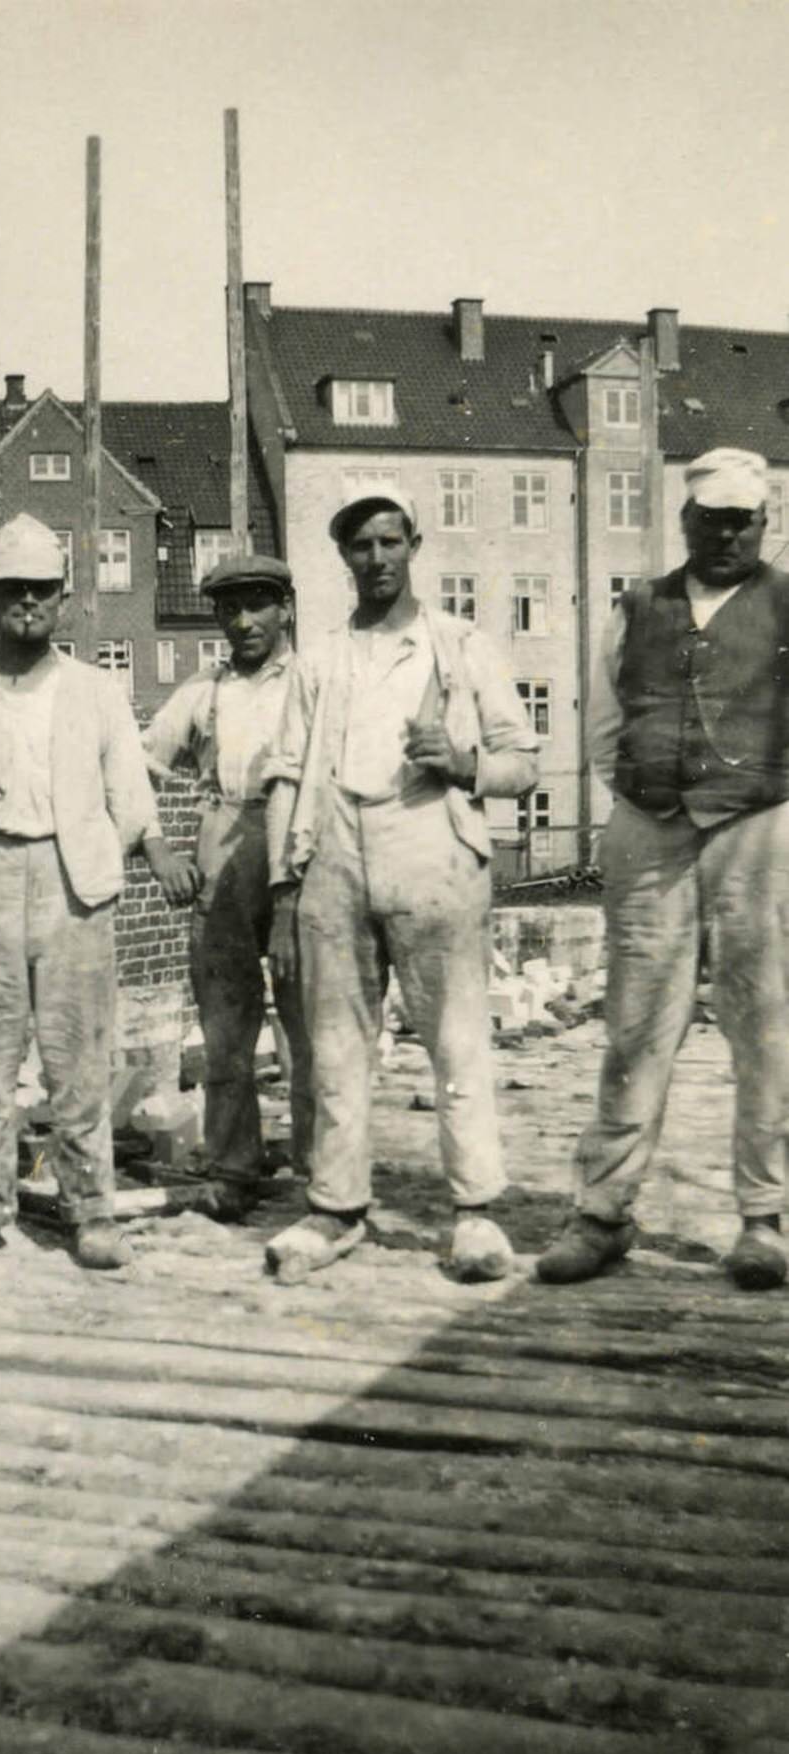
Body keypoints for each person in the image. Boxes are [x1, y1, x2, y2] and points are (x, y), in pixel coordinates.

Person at [263, 486, 540, 1282]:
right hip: (336, 850)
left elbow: (522, 759)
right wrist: (287, 885)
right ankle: (336, 1205)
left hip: (432, 846)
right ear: (342, 556)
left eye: (390, 542)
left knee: (455, 1037)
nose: (377, 559)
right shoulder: (318, 657)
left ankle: (476, 1211)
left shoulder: (460, 645)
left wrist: (464, 764)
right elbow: (287, 773)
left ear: (414, 543)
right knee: (335, 1045)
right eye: (360, 546)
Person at [0, 512, 198, 1270]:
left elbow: (128, 789)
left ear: (62, 599)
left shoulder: (96, 692)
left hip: (75, 885)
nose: (28, 604)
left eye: (41, 590)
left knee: (77, 1057)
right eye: (12, 591)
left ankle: (91, 1209)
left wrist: (155, 847)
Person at [538, 446, 789, 1293]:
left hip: (758, 828)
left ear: (767, 521)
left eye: (741, 518)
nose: (725, 532)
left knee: (765, 1026)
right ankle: (603, 1213)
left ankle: (764, 1218)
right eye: (710, 517)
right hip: (650, 828)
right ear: (683, 521)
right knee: (636, 1026)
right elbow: (604, 723)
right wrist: (650, 792)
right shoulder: (637, 606)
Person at [142, 552, 312, 1218]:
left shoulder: (314, 681)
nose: (244, 621)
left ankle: (321, 1171)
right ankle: (234, 1166)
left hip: (299, 842)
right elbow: (134, 765)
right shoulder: (203, 691)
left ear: (285, 607)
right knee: (225, 1024)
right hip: (224, 836)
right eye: (230, 607)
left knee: (310, 1021)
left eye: (258, 605)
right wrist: (158, 850)